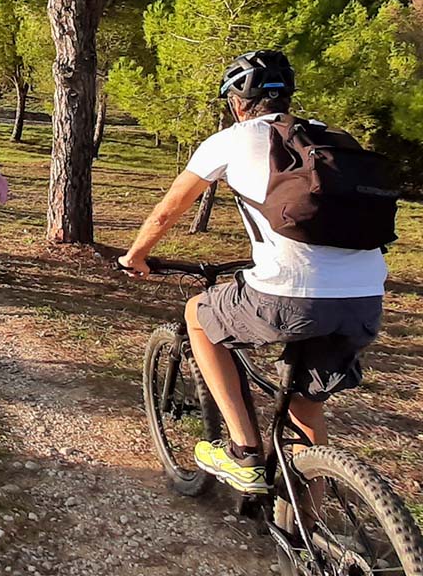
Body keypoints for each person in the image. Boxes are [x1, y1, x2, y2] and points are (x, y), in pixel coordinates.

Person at [118, 50, 386, 495]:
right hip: (364, 296)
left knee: (197, 316)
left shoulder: (232, 138)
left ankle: (244, 453)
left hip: (289, 293)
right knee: (304, 409)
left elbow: (169, 211)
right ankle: (310, 529)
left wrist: (136, 255)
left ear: (236, 104)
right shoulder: (334, 139)